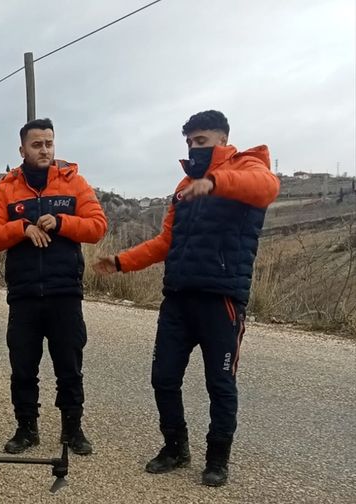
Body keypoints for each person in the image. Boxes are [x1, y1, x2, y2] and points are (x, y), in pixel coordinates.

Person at [94, 110, 280, 486]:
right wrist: (121, 262)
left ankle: (217, 459)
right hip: (177, 299)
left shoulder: (249, 168)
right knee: (163, 378)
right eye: (190, 142)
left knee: (220, 384)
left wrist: (214, 181)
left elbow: (267, 187)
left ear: (223, 141)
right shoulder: (183, 187)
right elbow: (167, 241)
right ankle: (176, 448)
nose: (195, 148)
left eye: (202, 141)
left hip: (221, 301)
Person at [0, 118, 107, 455]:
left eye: (49, 143)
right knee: (23, 367)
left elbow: (97, 227)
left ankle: (72, 430)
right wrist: (21, 228)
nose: (45, 150)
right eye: (37, 144)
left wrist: (63, 222)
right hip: (23, 296)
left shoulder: (73, 182)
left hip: (64, 293)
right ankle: (26, 429)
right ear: (22, 149)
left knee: (69, 367)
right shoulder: (6, 188)